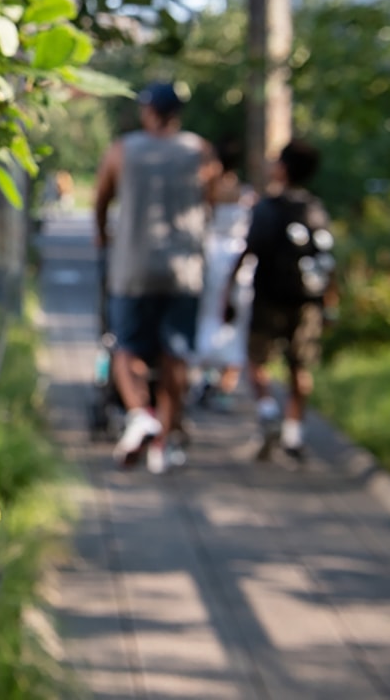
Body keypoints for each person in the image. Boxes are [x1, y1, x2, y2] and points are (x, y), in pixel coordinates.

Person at [94, 82, 219, 474]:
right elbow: (211, 202)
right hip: (184, 270)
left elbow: (100, 200)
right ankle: (164, 441)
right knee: (175, 354)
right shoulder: (199, 151)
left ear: (148, 111)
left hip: (132, 267)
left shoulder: (122, 149)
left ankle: (139, 413)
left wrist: (103, 237)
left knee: (127, 348)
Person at [225, 140, 336, 466]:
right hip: (308, 301)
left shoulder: (267, 207)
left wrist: (227, 292)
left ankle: (267, 409)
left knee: (256, 359)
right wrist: (330, 304)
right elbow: (328, 260)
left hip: (268, 297)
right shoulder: (316, 209)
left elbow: (248, 251)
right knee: (299, 366)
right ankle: (294, 433)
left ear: (284, 168)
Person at [193, 138, 257, 411]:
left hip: (212, 259)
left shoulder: (207, 191)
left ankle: (207, 377)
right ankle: (226, 385)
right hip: (240, 262)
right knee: (236, 321)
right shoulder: (247, 194)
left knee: (208, 317)